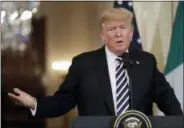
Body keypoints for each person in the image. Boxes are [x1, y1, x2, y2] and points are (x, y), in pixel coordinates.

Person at [8, 8, 183, 118]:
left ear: (131, 33)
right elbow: (62, 102)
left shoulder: (146, 62)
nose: (118, 34)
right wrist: (34, 103)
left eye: (123, 28)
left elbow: (169, 102)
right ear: (103, 36)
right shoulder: (83, 64)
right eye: (112, 29)